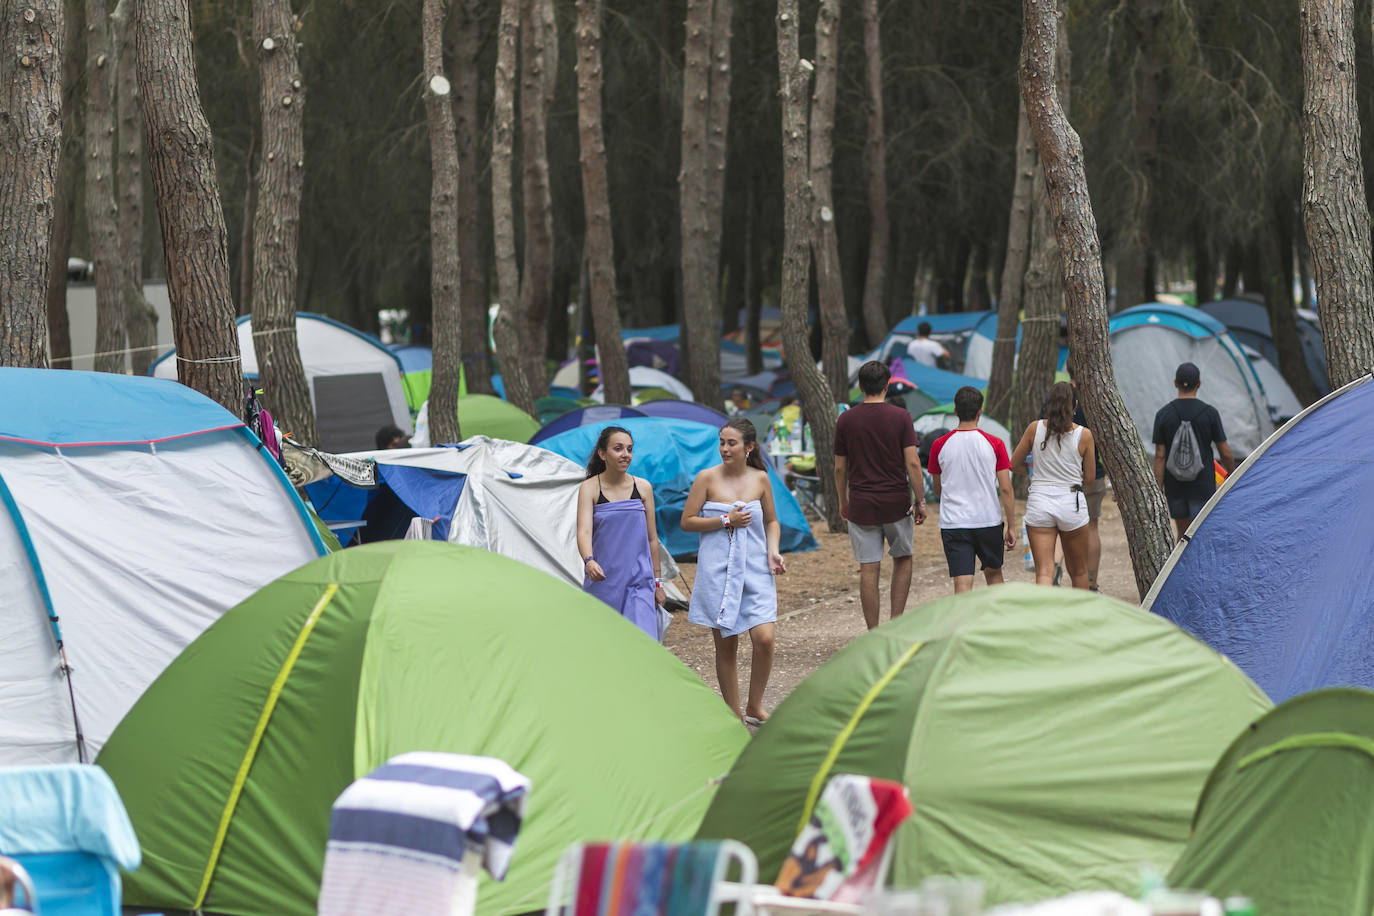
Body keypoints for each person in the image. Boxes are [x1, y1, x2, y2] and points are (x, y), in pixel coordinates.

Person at [683, 419, 786, 725]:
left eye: (732, 443)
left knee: (765, 639)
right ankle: (734, 713)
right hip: (719, 571)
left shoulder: (761, 478)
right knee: (727, 644)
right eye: (722, 442)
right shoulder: (707, 478)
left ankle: (755, 705)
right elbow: (687, 521)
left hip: (755, 568)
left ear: (749, 447)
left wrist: (773, 550)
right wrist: (724, 520)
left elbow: (771, 521)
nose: (724, 449)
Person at [833, 360, 926, 629]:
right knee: (903, 558)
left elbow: (840, 467)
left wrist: (843, 501)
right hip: (896, 502)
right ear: (887, 386)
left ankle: (873, 632)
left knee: (869, 567)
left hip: (861, 503)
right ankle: (895, 625)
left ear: (860, 387)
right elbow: (912, 463)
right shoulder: (901, 417)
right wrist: (920, 500)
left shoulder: (846, 419)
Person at [576, 426, 667, 641]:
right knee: (604, 647)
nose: (625, 454)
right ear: (602, 454)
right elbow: (584, 531)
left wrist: (658, 584)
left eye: (629, 449)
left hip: (639, 582)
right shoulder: (589, 488)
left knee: (642, 644)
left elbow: (653, 539)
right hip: (603, 581)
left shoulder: (643, 488)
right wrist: (589, 561)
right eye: (618, 449)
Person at [928, 386, 1016, 593]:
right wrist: (1011, 525)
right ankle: (996, 623)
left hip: (954, 522)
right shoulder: (995, 444)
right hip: (988, 520)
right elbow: (1005, 488)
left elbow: (938, 488)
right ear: (980, 412)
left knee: (962, 581)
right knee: (994, 575)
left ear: (955, 411)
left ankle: (964, 625)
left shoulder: (939, 445)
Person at [1010, 381, 1095, 588]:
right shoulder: (1084, 435)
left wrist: (1034, 472)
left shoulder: (1034, 429)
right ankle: (1081, 618)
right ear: (1075, 405)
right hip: (1071, 501)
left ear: (1049, 404)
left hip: (1039, 501)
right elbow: (1090, 478)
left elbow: (1013, 464)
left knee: (1044, 572)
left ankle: (1044, 618)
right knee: (1079, 572)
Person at [1042, 365, 1108, 590]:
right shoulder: (1096, 400)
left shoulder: (1056, 399)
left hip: (1058, 474)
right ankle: (1091, 582)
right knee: (1091, 527)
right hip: (1092, 474)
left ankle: (1055, 566)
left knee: (1061, 526)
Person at [1152, 361, 1234, 539]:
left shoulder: (1163, 414)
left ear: (1175, 383)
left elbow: (1160, 455)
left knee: (1182, 536)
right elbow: (1225, 452)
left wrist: (1158, 489)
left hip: (1175, 485)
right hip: (1203, 485)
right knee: (1201, 535)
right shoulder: (1210, 413)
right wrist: (1232, 475)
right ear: (1199, 384)